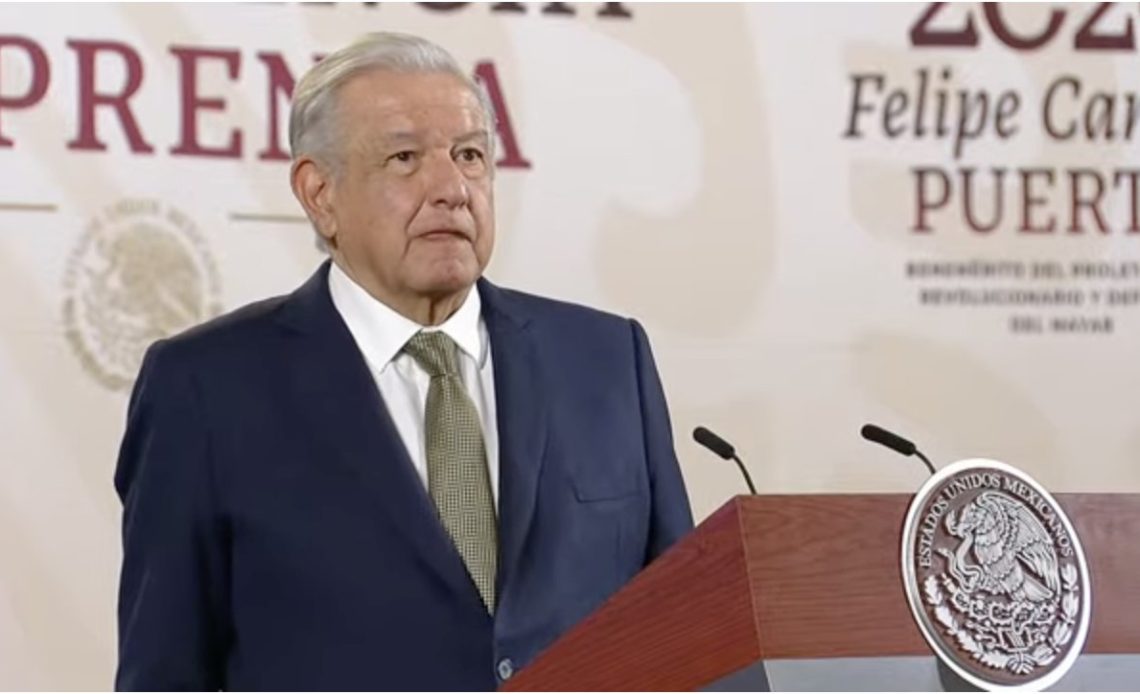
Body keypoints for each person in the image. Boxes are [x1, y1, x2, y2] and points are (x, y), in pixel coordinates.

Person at [114, 32, 693, 691]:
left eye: (469, 155)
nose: (451, 188)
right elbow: (164, 673)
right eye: (404, 158)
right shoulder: (206, 389)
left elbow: (690, 629)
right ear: (320, 193)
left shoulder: (607, 361)